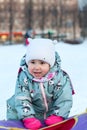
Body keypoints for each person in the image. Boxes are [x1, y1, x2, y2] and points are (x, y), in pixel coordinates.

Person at [7, 38, 74, 129]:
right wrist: (28, 118)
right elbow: (22, 98)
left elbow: (64, 98)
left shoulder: (59, 77)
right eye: (32, 62)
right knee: (15, 101)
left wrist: (58, 116)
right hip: (24, 114)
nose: (36, 67)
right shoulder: (24, 76)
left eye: (42, 63)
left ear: (50, 64)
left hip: (51, 114)